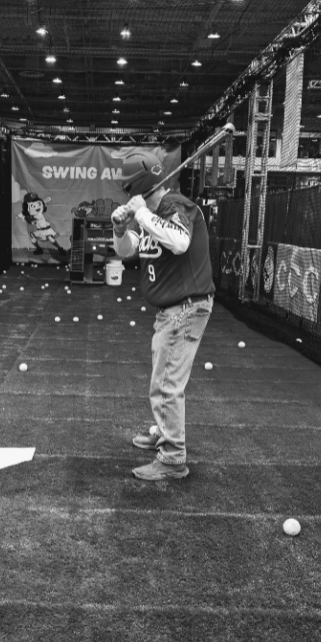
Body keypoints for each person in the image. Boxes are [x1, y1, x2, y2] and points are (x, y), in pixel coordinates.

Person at [112, 151, 214, 481]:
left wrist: (141, 214)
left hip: (185, 308)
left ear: (136, 187)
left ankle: (172, 457)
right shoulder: (154, 213)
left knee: (167, 383)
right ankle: (163, 431)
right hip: (170, 310)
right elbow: (128, 251)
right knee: (162, 378)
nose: (129, 198)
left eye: (129, 191)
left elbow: (180, 241)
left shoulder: (175, 206)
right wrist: (119, 230)